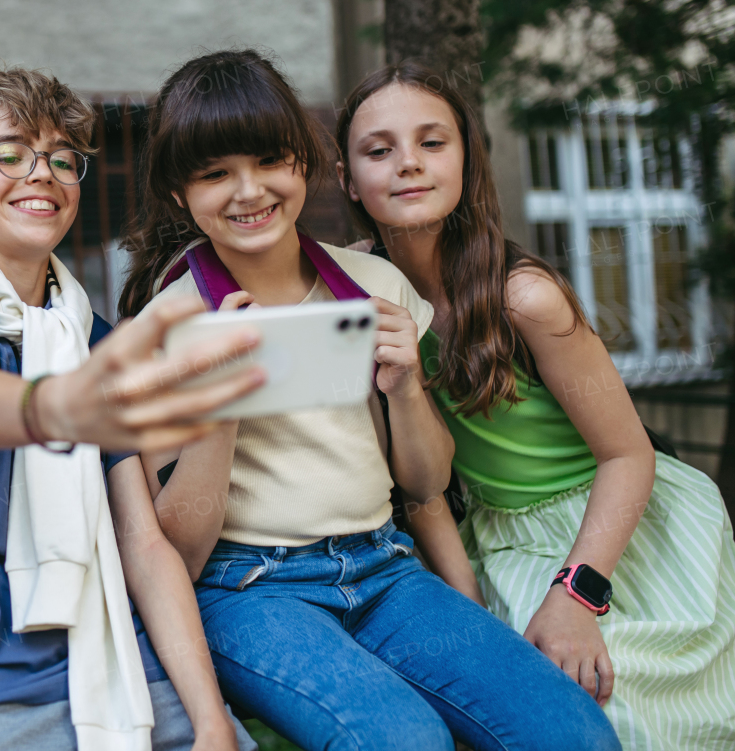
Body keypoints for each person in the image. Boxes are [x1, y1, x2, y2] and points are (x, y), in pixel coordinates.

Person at [118, 49, 622, 751]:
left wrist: (406, 384)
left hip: (385, 569)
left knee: (575, 733)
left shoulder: (373, 285)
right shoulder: (158, 333)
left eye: (268, 161)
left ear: (302, 163)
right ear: (180, 194)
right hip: (250, 590)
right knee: (403, 740)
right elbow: (176, 547)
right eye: (214, 174)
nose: (248, 191)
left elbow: (425, 482)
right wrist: (219, 407)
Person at [0, 66, 260, 751]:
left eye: (63, 159)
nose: (42, 173)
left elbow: (145, 542)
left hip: (127, 672)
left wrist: (212, 717)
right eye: (10, 154)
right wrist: (62, 403)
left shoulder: (84, 330)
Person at [335, 59, 735, 749]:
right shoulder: (360, 296)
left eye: (433, 142)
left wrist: (578, 595)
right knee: (523, 709)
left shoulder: (524, 298)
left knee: (625, 711)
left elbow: (626, 452)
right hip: (500, 535)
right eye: (379, 149)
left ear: (467, 160)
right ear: (347, 180)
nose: (408, 163)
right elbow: (423, 490)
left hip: (614, 527)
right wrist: (470, 604)